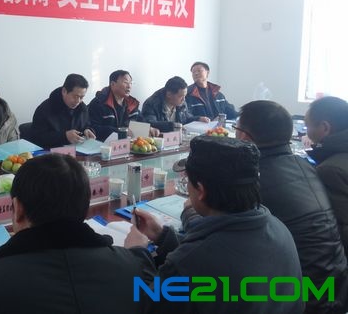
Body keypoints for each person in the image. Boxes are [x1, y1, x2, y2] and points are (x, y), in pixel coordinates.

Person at [0, 154, 155, 314]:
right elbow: (171, 293)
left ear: (17, 208)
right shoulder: (134, 270)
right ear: (84, 207)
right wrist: (138, 253)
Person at [125, 135, 304, 314]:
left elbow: (144, 303)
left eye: (188, 181)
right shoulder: (279, 229)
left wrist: (135, 254)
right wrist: (165, 237)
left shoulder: (190, 262)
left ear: (201, 191)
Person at [235, 100, 348, 314]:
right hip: (335, 285)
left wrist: (191, 213)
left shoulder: (253, 180)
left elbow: (224, 233)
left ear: (244, 137)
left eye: (236, 129)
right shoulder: (306, 166)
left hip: (301, 297)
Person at [305, 96, 348, 257]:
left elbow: (340, 229)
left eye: (307, 126)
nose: (306, 132)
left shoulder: (330, 170)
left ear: (324, 128)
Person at [29, 74, 96, 149]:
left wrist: (88, 130)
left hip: (77, 150)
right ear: (64, 91)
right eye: (75, 96)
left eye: (82, 97)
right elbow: (36, 138)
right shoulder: (44, 109)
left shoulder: (82, 108)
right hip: (51, 153)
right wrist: (64, 136)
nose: (78, 101)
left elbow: (86, 125)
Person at [88, 70, 156, 141]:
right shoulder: (99, 103)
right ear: (113, 84)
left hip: (127, 143)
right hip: (103, 144)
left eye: (131, 83)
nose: (129, 86)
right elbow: (93, 128)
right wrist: (121, 131)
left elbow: (141, 121)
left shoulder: (132, 103)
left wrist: (149, 129)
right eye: (125, 82)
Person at [141, 76, 208, 132]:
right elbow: (150, 123)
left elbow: (185, 118)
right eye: (181, 96)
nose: (184, 99)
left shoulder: (181, 102)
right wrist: (172, 126)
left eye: (185, 96)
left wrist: (198, 118)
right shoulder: (152, 103)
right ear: (169, 94)